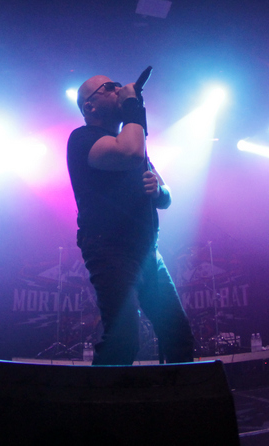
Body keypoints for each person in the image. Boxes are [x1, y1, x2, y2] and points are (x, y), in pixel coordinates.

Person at [67, 75, 195, 365]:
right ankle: (97, 395)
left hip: (148, 251)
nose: (118, 89)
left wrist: (159, 190)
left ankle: (179, 394)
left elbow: (166, 197)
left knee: (178, 337)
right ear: (90, 107)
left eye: (117, 86)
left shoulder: (131, 141)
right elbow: (131, 153)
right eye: (109, 87)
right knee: (123, 340)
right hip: (110, 250)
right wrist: (132, 108)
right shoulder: (83, 139)